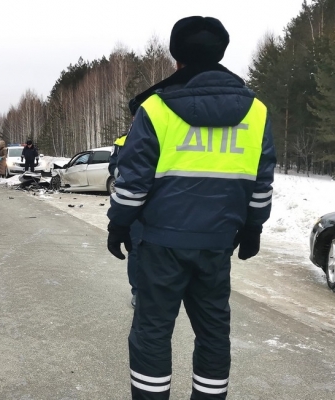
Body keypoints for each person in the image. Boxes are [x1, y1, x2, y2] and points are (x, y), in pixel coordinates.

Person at [106, 16, 276, 399]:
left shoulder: (156, 108)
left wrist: (118, 225)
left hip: (161, 245)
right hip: (217, 245)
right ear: (221, 52)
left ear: (176, 57)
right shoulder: (257, 112)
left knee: (152, 332)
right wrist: (253, 227)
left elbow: (133, 183)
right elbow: (261, 182)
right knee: (214, 333)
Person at [110, 133, 142, 309]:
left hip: (160, 203)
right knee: (136, 248)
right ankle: (137, 291)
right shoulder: (122, 141)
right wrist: (126, 175)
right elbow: (113, 166)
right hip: (134, 202)